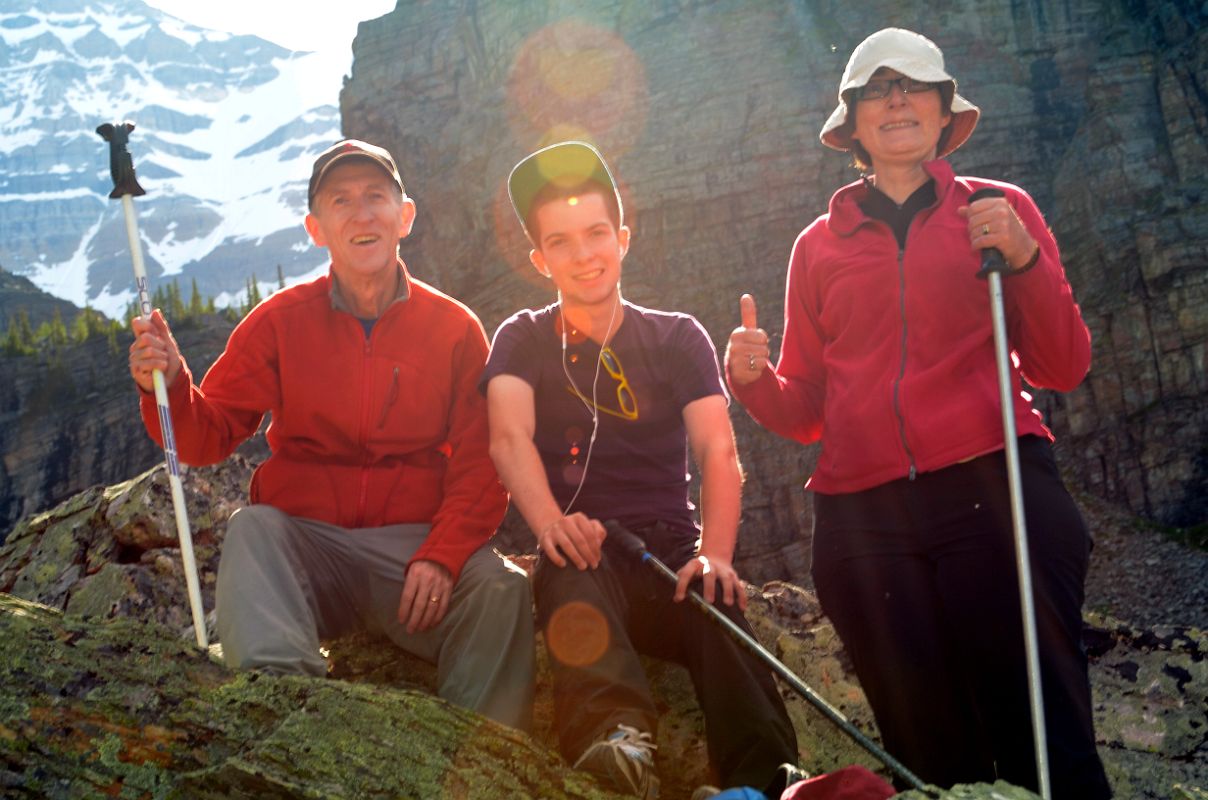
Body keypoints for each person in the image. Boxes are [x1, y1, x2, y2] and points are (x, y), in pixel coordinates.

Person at [725, 28, 1111, 798]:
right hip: (862, 515)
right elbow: (807, 412)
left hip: (993, 484)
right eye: (877, 89)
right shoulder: (817, 247)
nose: (896, 99)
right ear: (854, 125)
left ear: (944, 115)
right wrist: (752, 380)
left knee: (1042, 727)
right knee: (928, 748)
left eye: (914, 87)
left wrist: (1026, 258)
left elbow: (1063, 366)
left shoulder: (1003, 213)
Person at [127, 138, 535, 731]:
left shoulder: (454, 329)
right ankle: (286, 719)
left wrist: (443, 556)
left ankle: (485, 754)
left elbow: (479, 463)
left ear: (406, 216)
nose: (362, 213)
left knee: (501, 588)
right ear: (316, 228)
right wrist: (167, 382)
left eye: (376, 197)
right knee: (254, 529)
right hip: (309, 551)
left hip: (413, 553)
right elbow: (204, 437)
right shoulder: (279, 323)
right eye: (341, 201)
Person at [483, 141, 799, 800]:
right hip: (581, 549)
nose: (585, 253)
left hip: (669, 551)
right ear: (541, 260)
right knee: (571, 571)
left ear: (623, 239)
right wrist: (551, 524)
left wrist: (714, 556)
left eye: (597, 233)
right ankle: (615, 744)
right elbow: (508, 437)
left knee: (717, 604)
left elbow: (718, 450)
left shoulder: (678, 336)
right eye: (561, 242)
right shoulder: (519, 337)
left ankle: (760, 783)